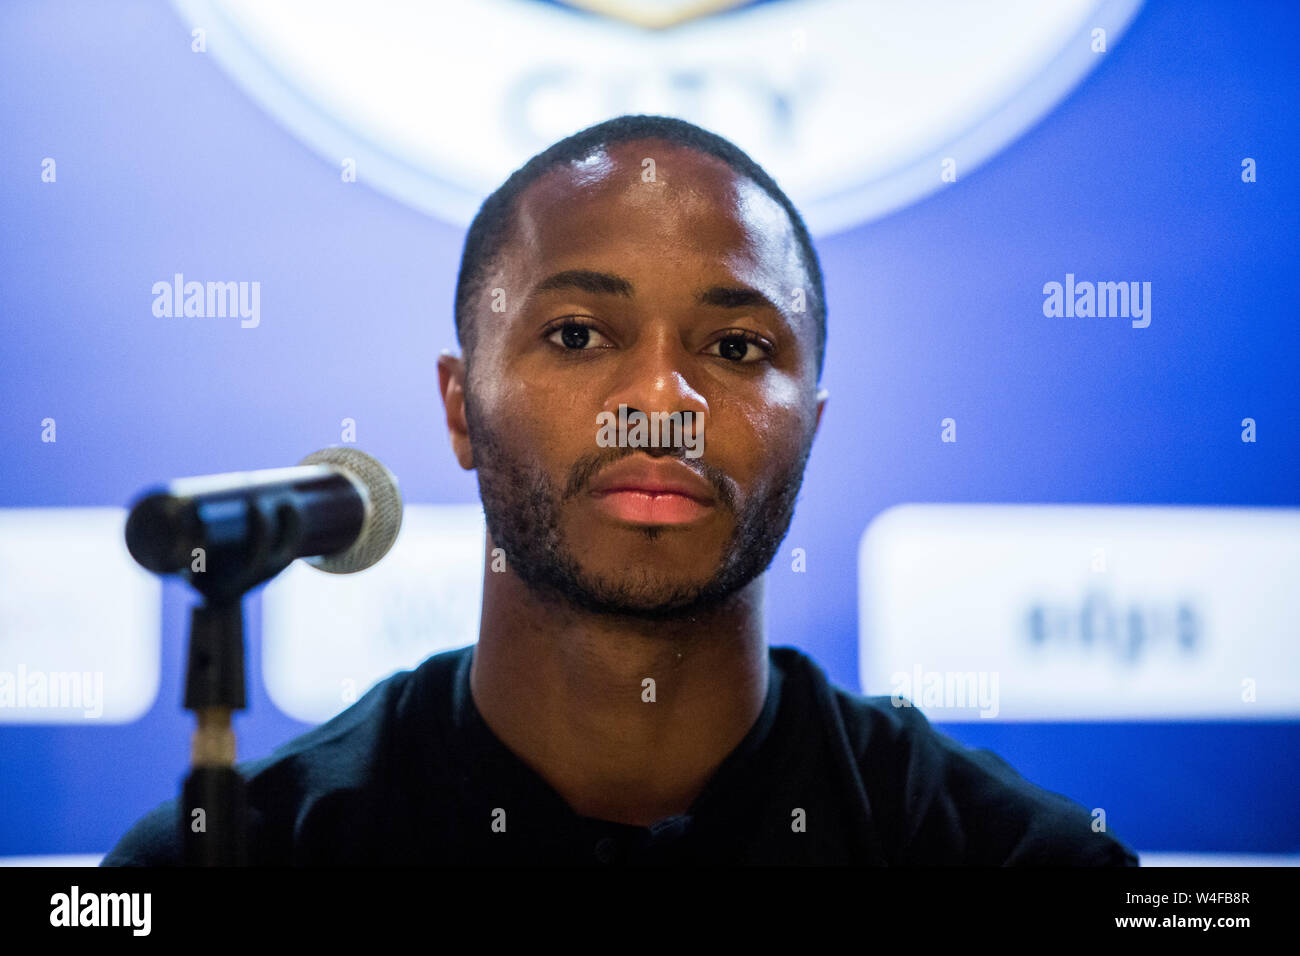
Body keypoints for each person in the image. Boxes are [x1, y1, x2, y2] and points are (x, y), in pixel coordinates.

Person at [103, 114, 1138, 866]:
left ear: (809, 429)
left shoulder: (1011, 869)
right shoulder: (236, 865)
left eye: (735, 345)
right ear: (461, 409)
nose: (659, 398)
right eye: (577, 334)